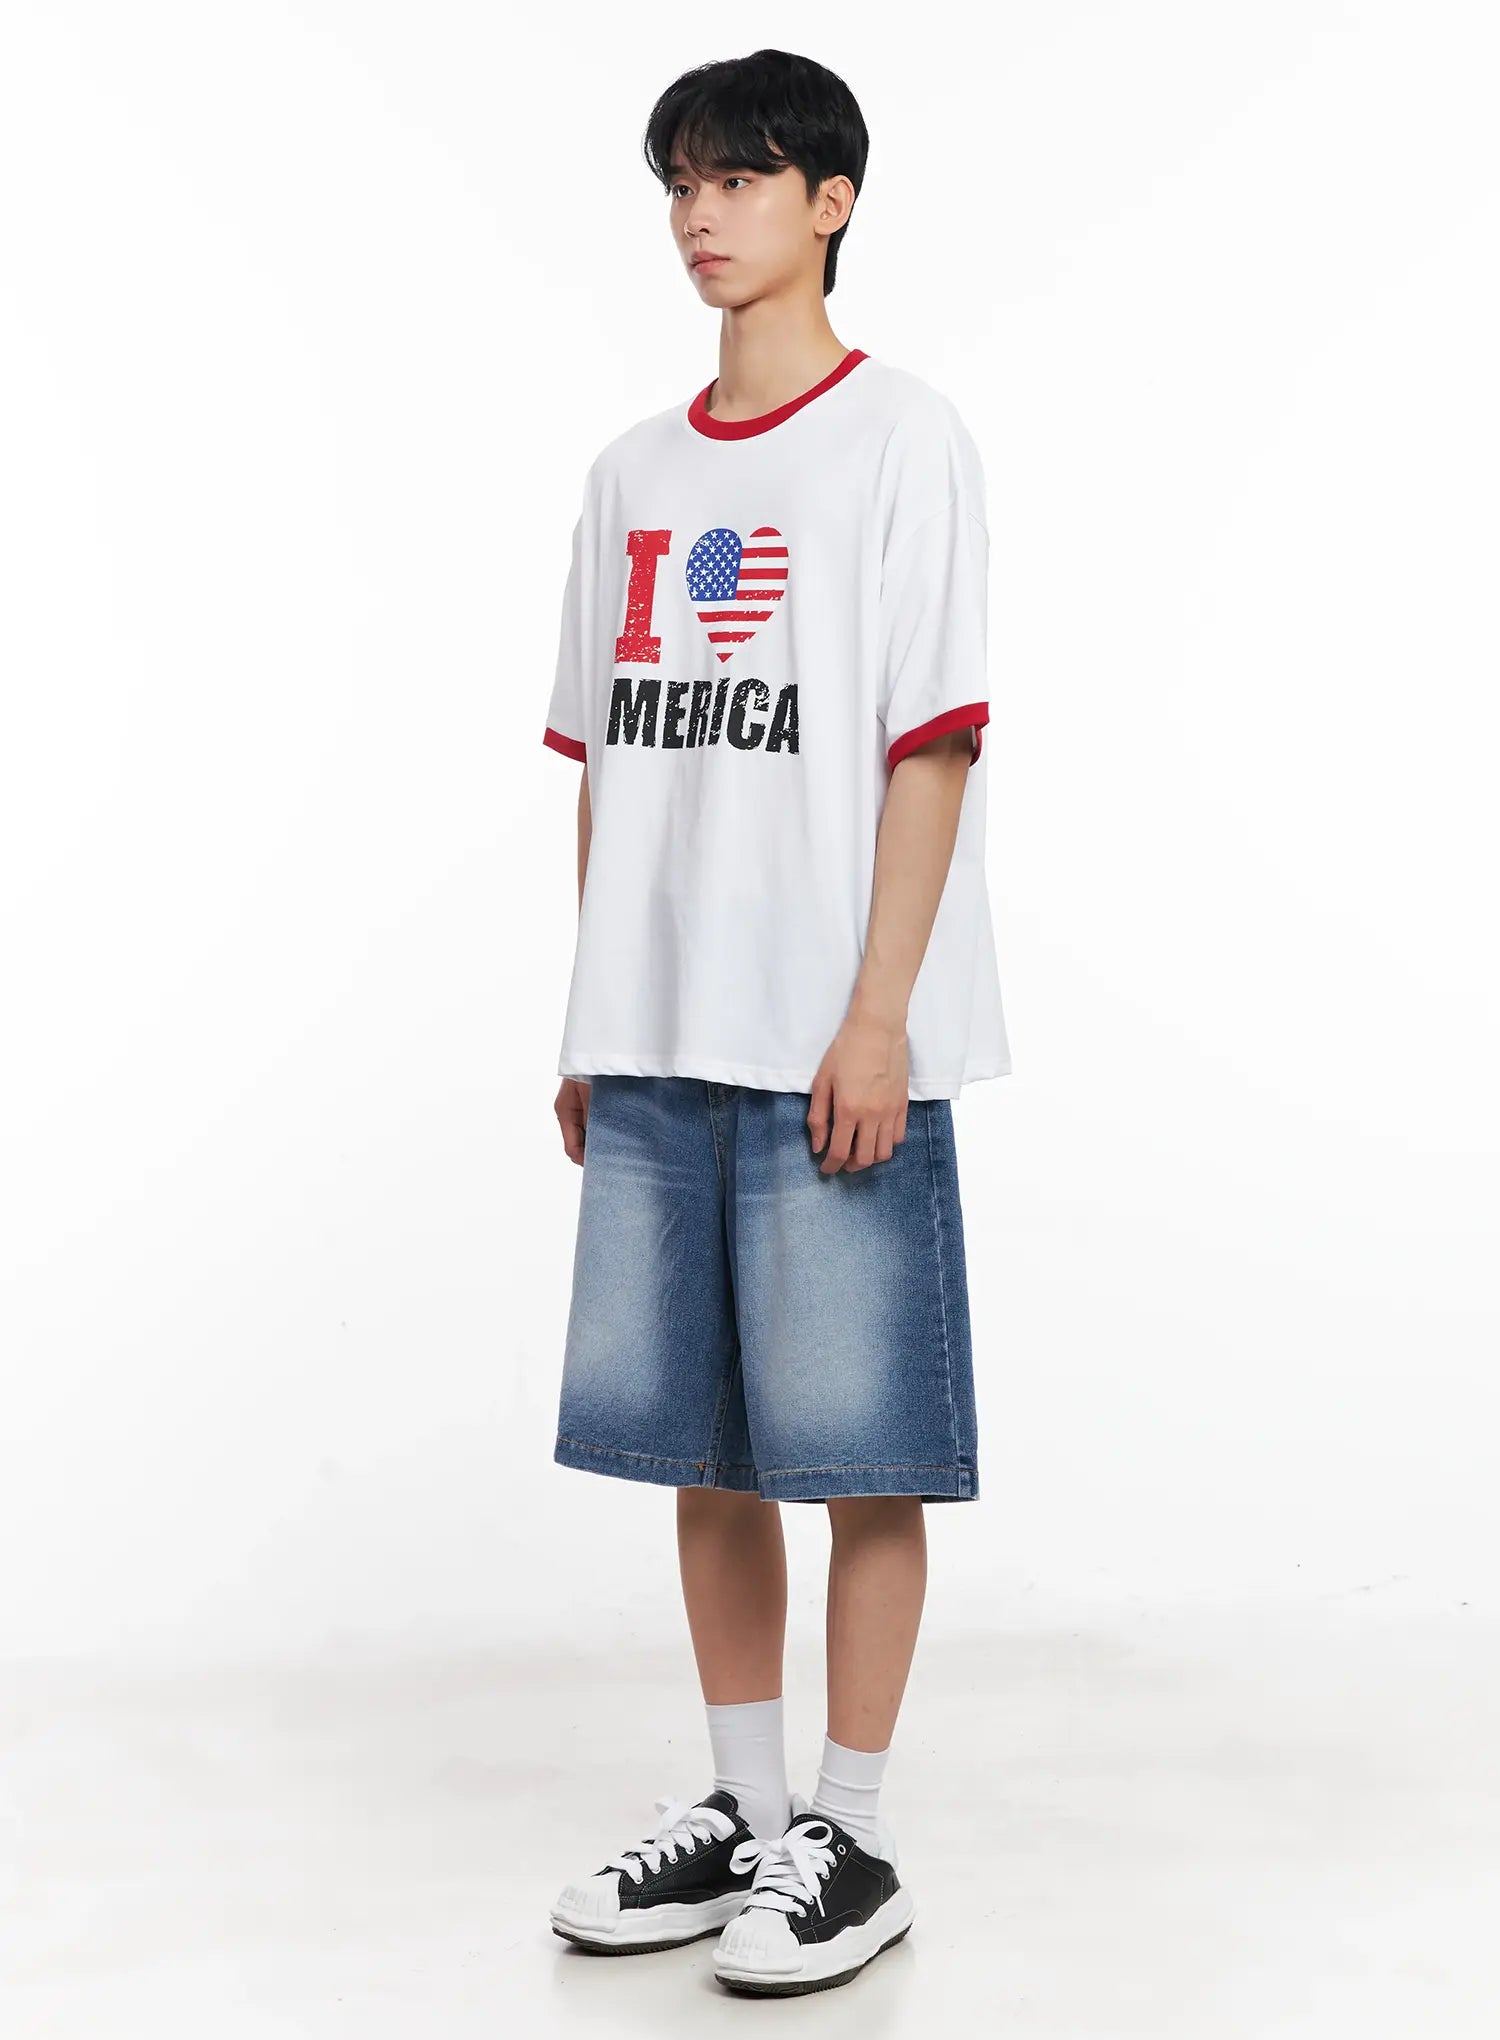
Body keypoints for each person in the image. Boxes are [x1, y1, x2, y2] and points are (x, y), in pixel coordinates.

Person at [539, 48, 1011, 1997]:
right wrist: (591, 1014)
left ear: (831, 200)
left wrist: (879, 1016)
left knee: (863, 1449)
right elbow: (606, 762)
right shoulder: (630, 478)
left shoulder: (902, 441)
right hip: (662, 1036)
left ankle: (856, 1832)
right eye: (681, 182)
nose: (700, 214)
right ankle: (742, 1808)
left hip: (830, 1036)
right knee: (704, 1450)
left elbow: (931, 748)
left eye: (739, 177)